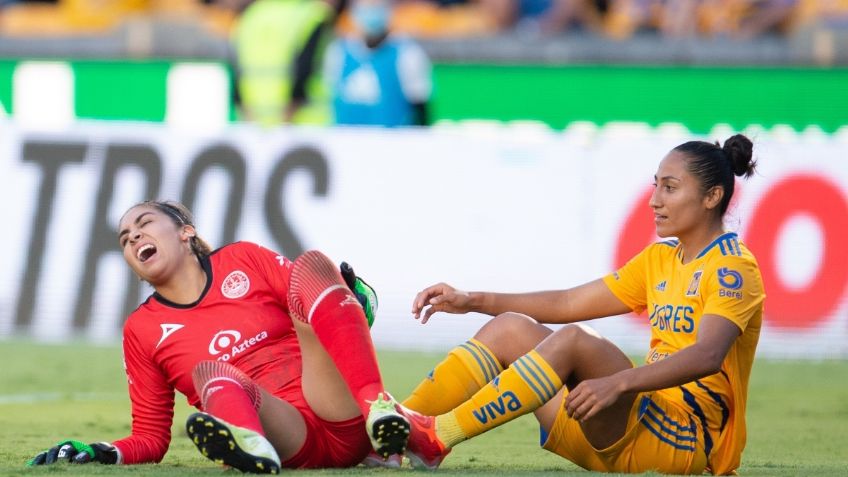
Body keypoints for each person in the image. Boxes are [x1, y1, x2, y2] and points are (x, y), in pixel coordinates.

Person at [395, 134, 764, 474]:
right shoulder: (661, 258)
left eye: (670, 188)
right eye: (656, 186)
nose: (655, 200)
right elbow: (569, 301)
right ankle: (395, 430)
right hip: (618, 424)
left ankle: (438, 437)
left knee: (575, 340)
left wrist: (618, 384)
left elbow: (707, 356)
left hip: (683, 439)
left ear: (712, 197)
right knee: (510, 327)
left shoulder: (732, 266)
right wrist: (472, 300)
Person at [27, 200, 412, 473]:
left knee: (312, 264)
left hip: (336, 407)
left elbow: (329, 302)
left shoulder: (243, 258)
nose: (133, 238)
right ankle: (252, 450)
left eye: (144, 224)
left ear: (185, 232)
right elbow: (151, 437)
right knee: (212, 372)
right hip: (289, 438)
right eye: (125, 239)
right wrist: (102, 450)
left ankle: (378, 409)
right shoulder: (141, 330)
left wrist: (350, 296)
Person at [230, 0, 346, 126]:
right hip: (302, 123)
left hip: (254, 121)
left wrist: (246, 114)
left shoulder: (251, 15)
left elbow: (236, 67)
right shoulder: (313, 15)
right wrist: (286, 119)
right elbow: (305, 69)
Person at [324, 0, 433, 126]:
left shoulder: (407, 53)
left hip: (392, 140)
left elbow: (420, 105)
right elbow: (331, 96)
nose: (371, 12)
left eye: (376, 6)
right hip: (346, 138)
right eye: (365, 7)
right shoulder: (339, 51)